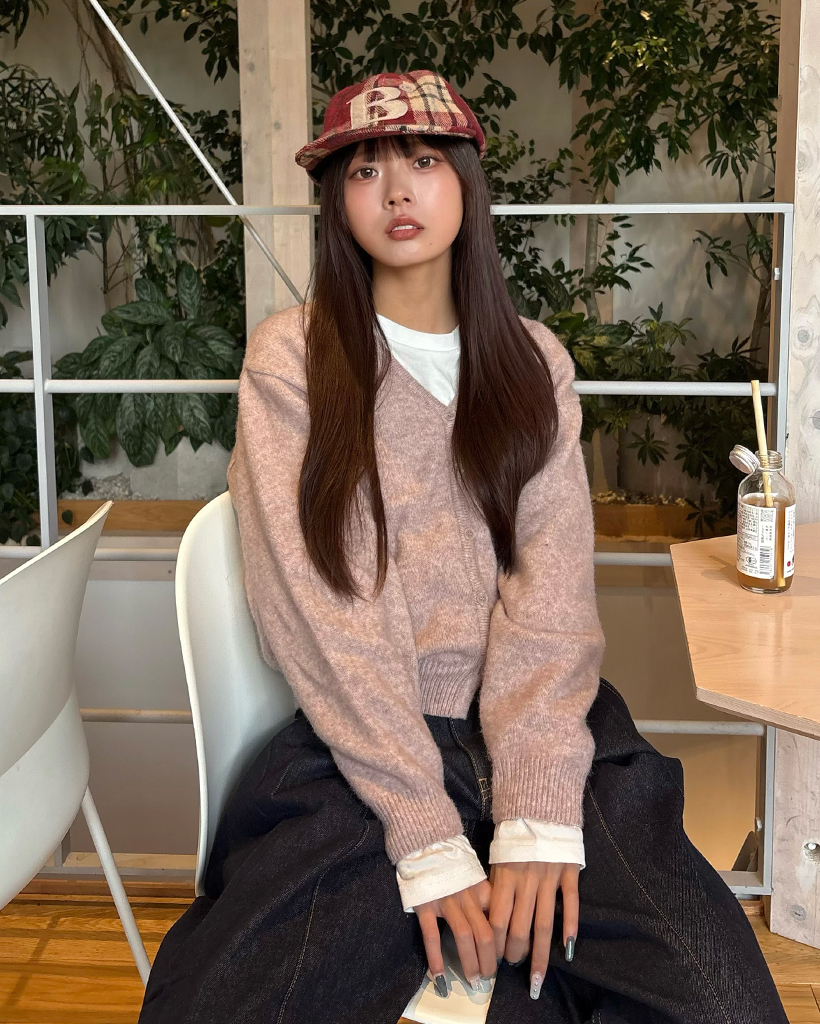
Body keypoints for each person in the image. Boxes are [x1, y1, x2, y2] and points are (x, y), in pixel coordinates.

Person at [138, 70, 788, 1024]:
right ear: (337, 202)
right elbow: (323, 604)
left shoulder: (533, 363)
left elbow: (551, 595)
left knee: (718, 998)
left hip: (545, 731)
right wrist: (424, 829)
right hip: (366, 745)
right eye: (365, 171)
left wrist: (536, 807)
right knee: (223, 1003)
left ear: (467, 182)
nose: (397, 191)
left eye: (423, 161)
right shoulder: (295, 358)